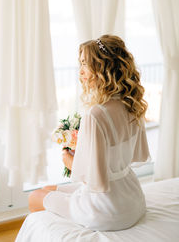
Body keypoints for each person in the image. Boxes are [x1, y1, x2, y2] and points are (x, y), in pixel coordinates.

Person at [28, 34, 151, 231]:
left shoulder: (96, 114)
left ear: (103, 69)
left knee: (34, 197)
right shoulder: (132, 104)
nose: (81, 72)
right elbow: (122, 159)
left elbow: (92, 180)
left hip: (106, 209)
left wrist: (69, 161)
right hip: (133, 200)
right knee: (47, 190)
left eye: (85, 64)